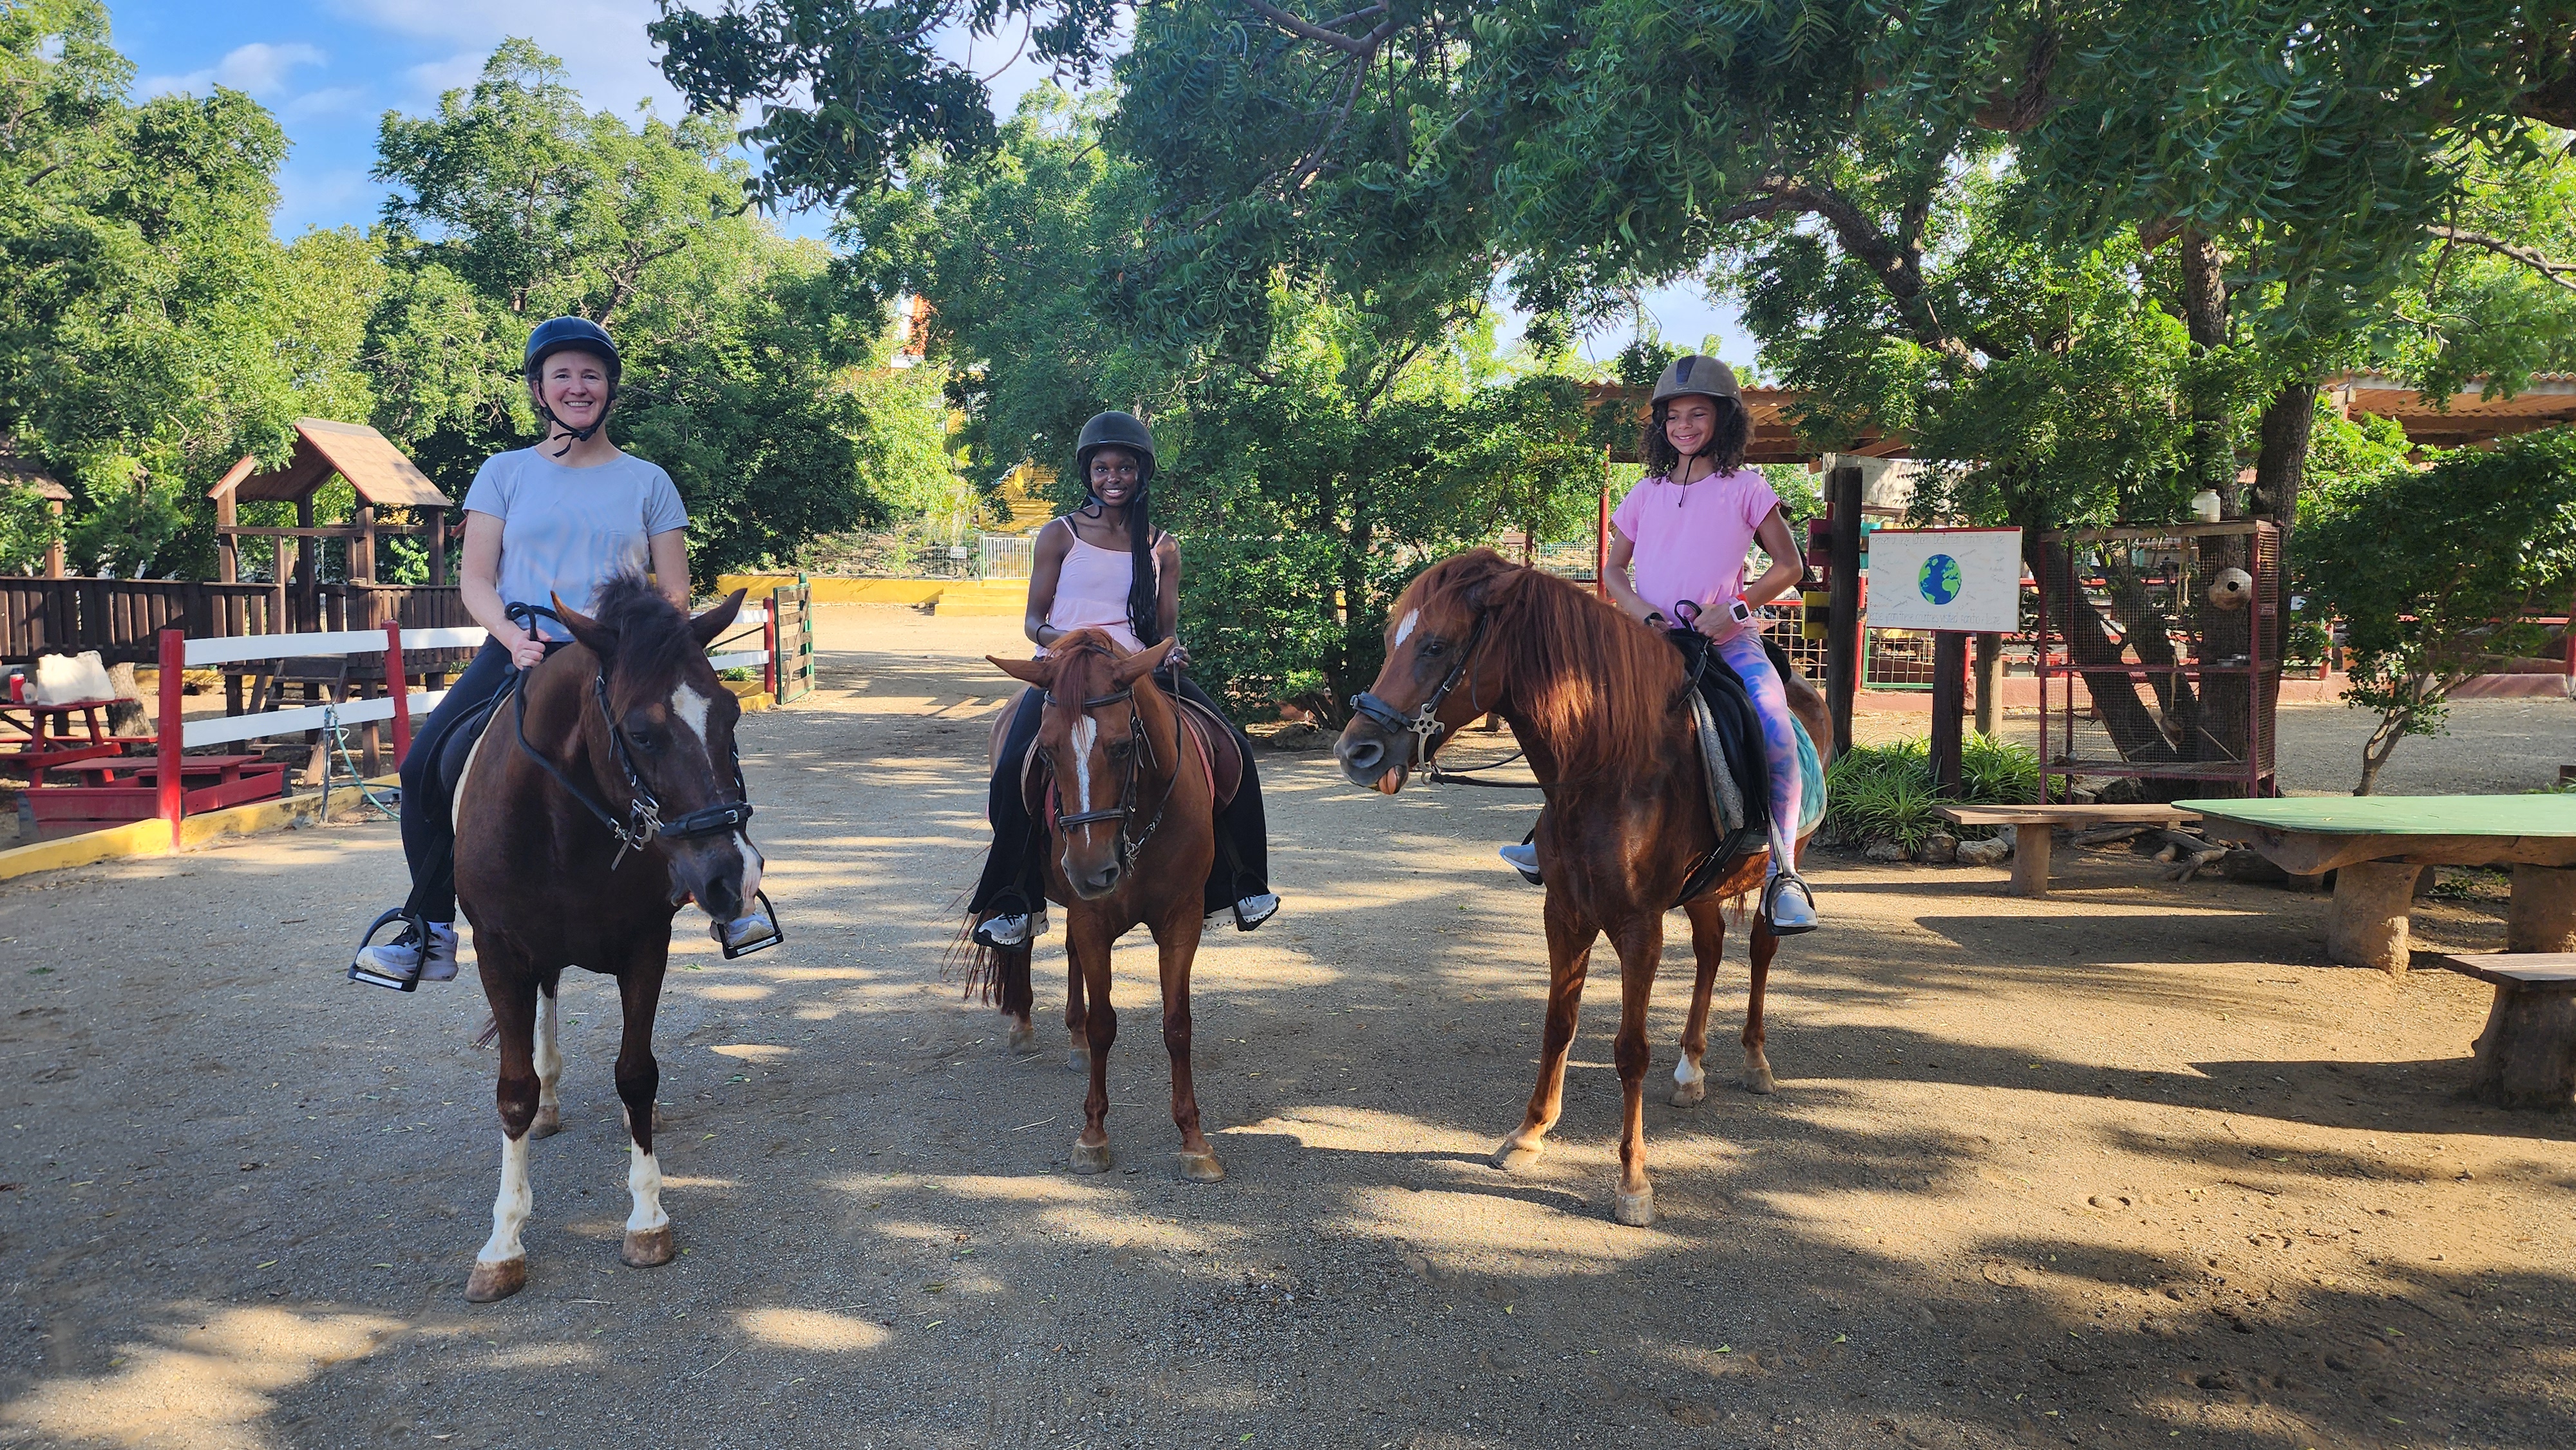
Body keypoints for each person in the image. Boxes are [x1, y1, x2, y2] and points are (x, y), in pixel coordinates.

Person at [351, 317, 776, 988]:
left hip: (625, 655)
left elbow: (673, 588)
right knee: (423, 769)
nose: (578, 386)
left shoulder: (649, 479)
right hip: (527, 645)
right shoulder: (504, 472)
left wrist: (651, 653)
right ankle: (428, 928)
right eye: (563, 375)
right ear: (539, 389)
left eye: (591, 375)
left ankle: (732, 901)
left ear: (609, 388)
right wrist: (512, 636)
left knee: (699, 743)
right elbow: (476, 578)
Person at [1498, 355, 1819, 933]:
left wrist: (1735, 609)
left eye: (1698, 413)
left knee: (1772, 715)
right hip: (1651, 641)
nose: (1685, 426)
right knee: (1585, 721)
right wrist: (1641, 613)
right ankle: (1545, 833)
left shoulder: (1748, 488)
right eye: (1674, 416)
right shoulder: (1644, 492)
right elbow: (1614, 569)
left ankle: (1784, 872)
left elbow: (1789, 565)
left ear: (1724, 419)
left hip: (1725, 639)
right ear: (1660, 426)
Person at [969, 411, 1278, 949]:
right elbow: (1032, 620)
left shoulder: (1163, 547)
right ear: (1087, 472)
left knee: (1234, 751)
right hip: (1066, 671)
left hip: (1136, 671)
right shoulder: (1059, 535)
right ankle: (1013, 898)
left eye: (1125, 467)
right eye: (1102, 468)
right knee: (1013, 771)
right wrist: (1070, 642)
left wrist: (1171, 651)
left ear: (1142, 473)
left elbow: (1165, 627)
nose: (1113, 477)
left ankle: (1240, 883)